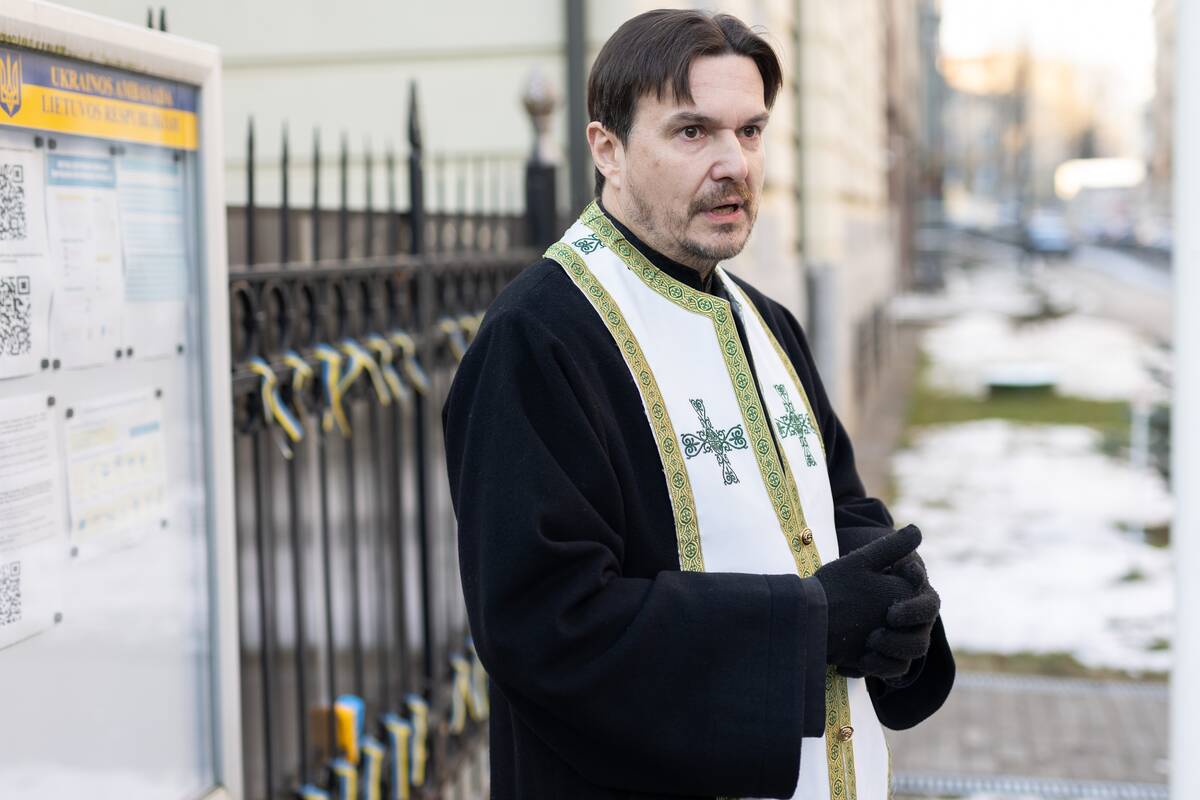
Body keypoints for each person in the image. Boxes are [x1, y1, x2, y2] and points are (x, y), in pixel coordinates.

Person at [442, 9, 954, 799]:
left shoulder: (765, 318)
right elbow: (545, 625)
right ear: (607, 149)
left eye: (750, 131)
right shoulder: (538, 337)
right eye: (692, 133)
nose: (734, 165)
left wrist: (891, 602)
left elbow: (834, 506)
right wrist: (808, 626)